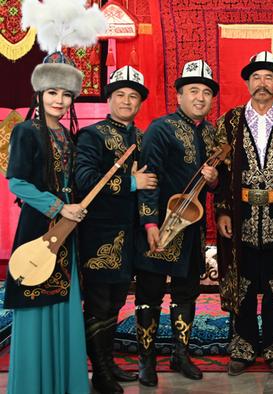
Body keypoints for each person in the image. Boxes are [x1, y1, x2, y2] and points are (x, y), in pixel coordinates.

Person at [4, 51, 90, 394]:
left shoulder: (69, 136)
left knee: (63, 298)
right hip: (37, 229)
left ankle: (64, 385)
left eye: (67, 94)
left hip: (68, 231)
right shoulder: (26, 131)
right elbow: (17, 183)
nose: (60, 100)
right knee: (36, 298)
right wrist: (59, 207)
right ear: (39, 93)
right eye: (53, 92)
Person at [135, 59, 224, 386]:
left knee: (186, 293)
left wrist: (214, 180)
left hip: (193, 228)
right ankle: (146, 361)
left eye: (206, 92)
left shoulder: (213, 133)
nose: (200, 97)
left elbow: (218, 183)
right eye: (193, 91)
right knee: (150, 293)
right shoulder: (161, 128)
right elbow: (148, 178)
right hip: (161, 225)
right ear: (179, 95)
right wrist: (149, 224)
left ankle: (180, 354)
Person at [215, 51, 273, 375]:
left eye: (269, 77)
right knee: (244, 283)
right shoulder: (229, 121)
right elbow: (220, 172)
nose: (262, 83)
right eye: (256, 77)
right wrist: (223, 211)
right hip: (241, 217)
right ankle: (244, 346)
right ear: (248, 82)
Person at [74, 65, 156, 394]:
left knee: (116, 302)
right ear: (109, 99)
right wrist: (132, 182)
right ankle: (100, 373)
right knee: (98, 304)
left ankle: (107, 363)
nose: (126, 101)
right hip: (99, 234)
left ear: (139, 103)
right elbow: (83, 182)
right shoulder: (91, 136)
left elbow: (151, 184)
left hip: (129, 235)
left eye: (132, 96)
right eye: (120, 95)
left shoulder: (140, 137)